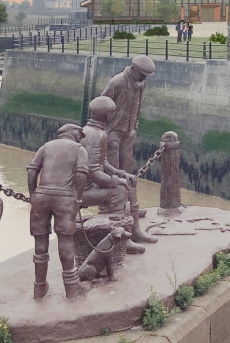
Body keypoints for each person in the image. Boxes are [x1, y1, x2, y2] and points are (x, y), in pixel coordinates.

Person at [27, 122, 92, 300]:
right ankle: (71, 289)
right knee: (65, 241)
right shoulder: (79, 149)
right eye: (80, 134)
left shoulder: (45, 147)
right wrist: (77, 197)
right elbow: (81, 174)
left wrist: (33, 195)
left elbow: (32, 172)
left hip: (41, 197)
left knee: (40, 242)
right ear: (71, 133)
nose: (81, 137)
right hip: (64, 198)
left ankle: (39, 287)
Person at [101, 55, 160, 249]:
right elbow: (101, 105)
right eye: (143, 74)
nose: (145, 78)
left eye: (147, 76)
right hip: (113, 134)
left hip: (129, 132)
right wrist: (102, 133)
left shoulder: (140, 83)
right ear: (134, 69)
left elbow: (138, 104)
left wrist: (134, 126)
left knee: (128, 171)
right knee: (113, 172)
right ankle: (110, 208)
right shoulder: (117, 82)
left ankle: (130, 207)